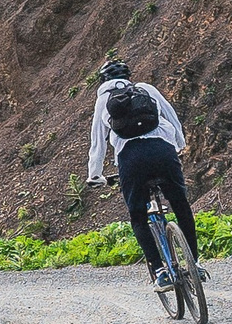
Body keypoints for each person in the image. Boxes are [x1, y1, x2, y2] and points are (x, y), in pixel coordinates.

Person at [85, 57, 203, 290]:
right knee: (181, 205)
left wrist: (95, 175)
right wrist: (178, 146)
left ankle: (160, 272)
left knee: (138, 216)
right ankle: (195, 264)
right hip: (163, 151)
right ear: (129, 77)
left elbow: (98, 143)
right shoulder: (146, 89)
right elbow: (171, 117)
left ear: (103, 82)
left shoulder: (103, 101)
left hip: (131, 160)